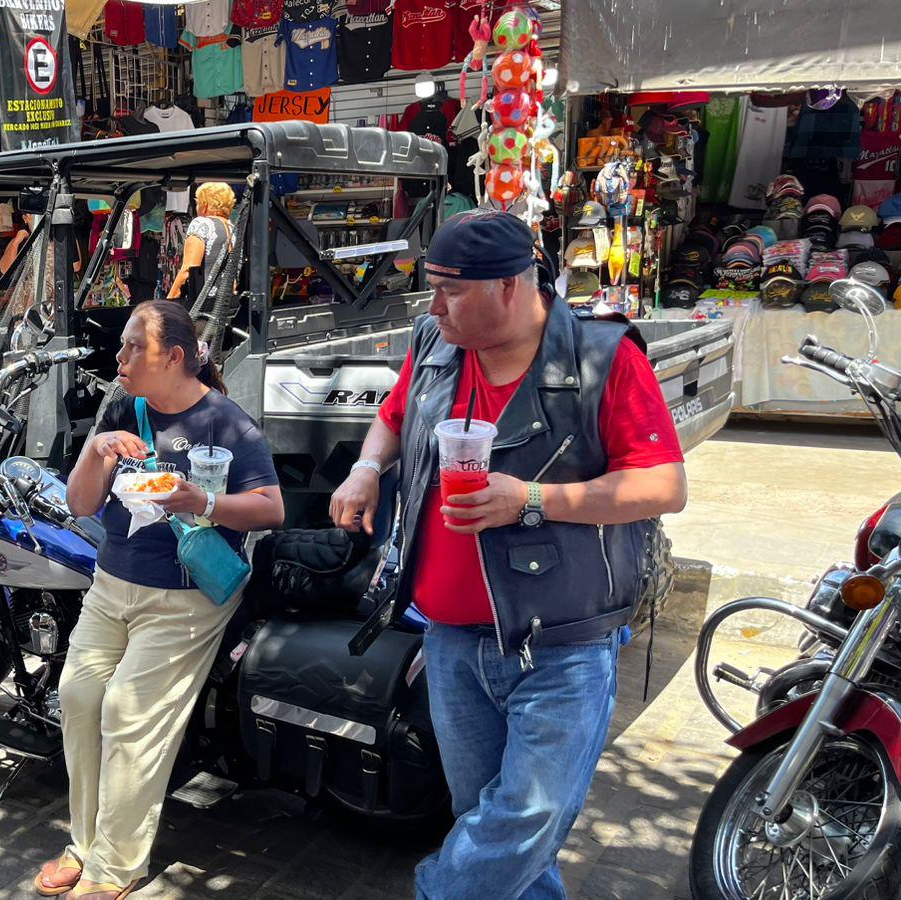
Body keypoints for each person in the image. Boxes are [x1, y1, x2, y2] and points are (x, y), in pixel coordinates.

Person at [328, 210, 687, 900]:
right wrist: (368, 468)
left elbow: (663, 485)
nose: (433, 306)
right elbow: (395, 417)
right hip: (452, 640)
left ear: (513, 287)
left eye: (451, 290)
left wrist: (531, 498)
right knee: (495, 831)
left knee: (523, 822)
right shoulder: (435, 340)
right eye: (430, 288)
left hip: (561, 645)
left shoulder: (602, 358)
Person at [36, 300, 284, 899]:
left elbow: (272, 508)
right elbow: (81, 504)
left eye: (131, 348)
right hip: (112, 584)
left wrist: (203, 502)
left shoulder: (227, 423)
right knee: (78, 694)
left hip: (184, 595)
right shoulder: (127, 408)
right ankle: (85, 842)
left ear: (173, 357)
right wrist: (98, 451)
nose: (118, 358)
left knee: (126, 709)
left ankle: (116, 865)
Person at [167, 181, 236, 302]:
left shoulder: (201, 224)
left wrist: (169, 300)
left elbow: (188, 269)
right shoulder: (231, 228)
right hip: (227, 302)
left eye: (198, 203)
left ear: (204, 204)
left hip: (204, 304)